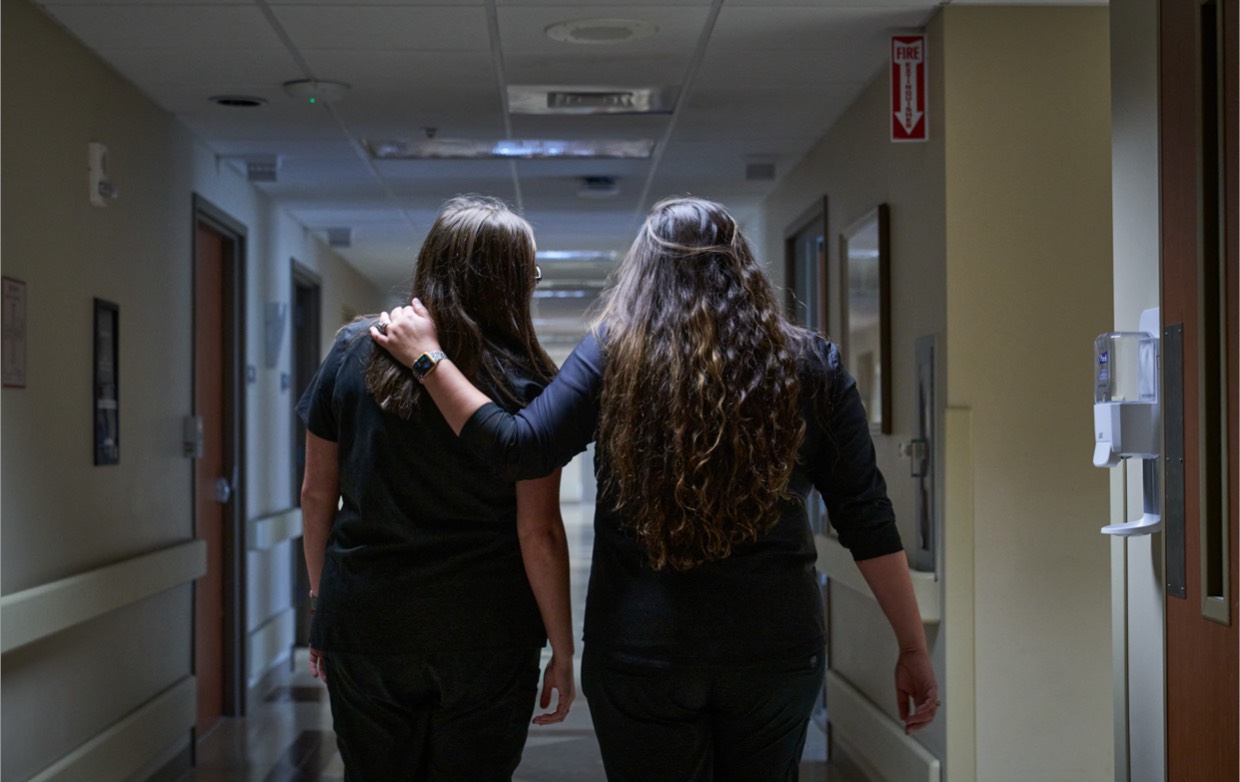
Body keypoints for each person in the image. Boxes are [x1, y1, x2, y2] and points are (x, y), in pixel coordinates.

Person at [373, 196, 939, 781]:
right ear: (741, 266)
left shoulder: (614, 354)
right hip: (773, 650)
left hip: (642, 650)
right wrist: (912, 645)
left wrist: (429, 361)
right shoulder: (807, 363)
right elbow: (866, 514)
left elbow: (520, 448)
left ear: (644, 272)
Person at [297, 195, 575, 781]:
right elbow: (538, 530)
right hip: (487, 632)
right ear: (514, 282)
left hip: (367, 619)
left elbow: (317, 494)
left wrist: (325, 605)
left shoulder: (353, 351)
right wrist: (563, 648)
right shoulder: (529, 379)